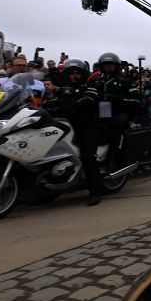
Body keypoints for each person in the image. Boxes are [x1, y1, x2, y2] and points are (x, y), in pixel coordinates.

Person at [44, 59, 104, 206]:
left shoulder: (90, 85)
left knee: (88, 156)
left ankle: (94, 192)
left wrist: (74, 105)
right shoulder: (65, 89)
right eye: (71, 73)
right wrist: (44, 107)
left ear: (83, 74)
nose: (74, 75)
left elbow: (90, 99)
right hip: (68, 125)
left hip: (87, 124)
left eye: (77, 72)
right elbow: (57, 102)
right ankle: (45, 191)